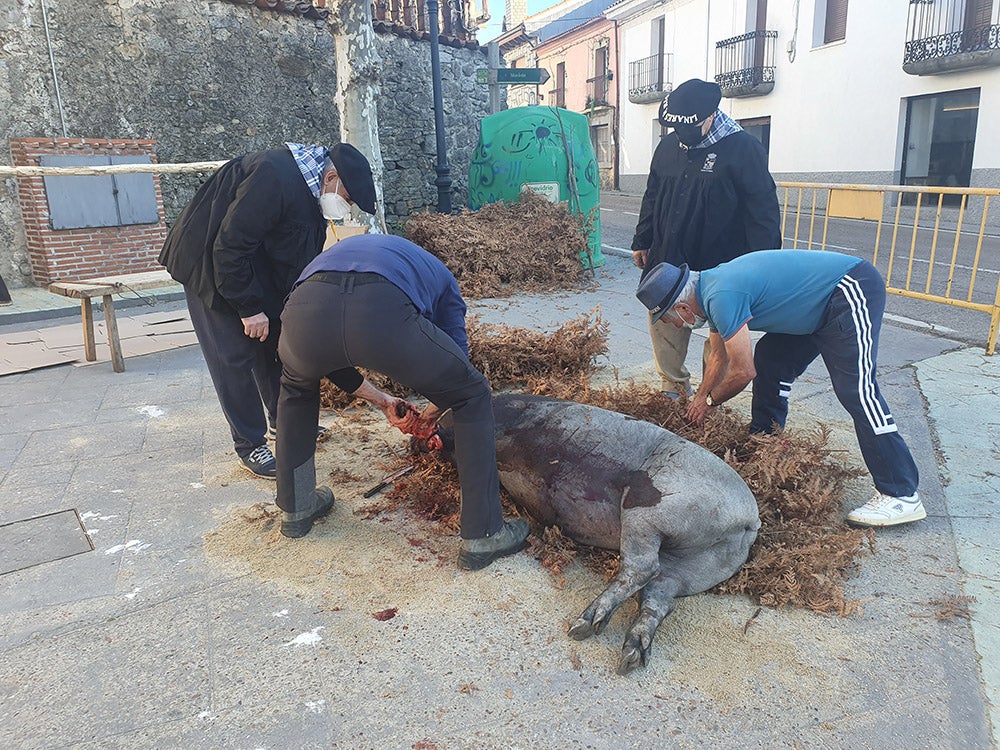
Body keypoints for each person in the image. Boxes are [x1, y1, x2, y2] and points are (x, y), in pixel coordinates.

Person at [273, 232, 531, 569]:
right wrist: (430, 415)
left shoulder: (347, 252)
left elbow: (331, 359)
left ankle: (297, 505)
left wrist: (382, 401)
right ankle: (483, 534)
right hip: (380, 309)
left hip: (304, 312)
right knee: (473, 394)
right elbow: (458, 371)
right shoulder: (441, 278)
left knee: (296, 387)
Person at [635, 250, 925, 528]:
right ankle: (765, 443)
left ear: (683, 307)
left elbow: (742, 371)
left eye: (670, 319)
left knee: (856, 390)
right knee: (771, 362)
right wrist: (699, 397)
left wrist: (709, 403)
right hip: (813, 310)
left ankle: (900, 493)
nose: (675, 325)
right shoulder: (710, 291)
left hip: (848, 289)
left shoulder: (721, 295)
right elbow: (719, 356)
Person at [159, 141, 377, 479]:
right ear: (331, 177)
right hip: (207, 262)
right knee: (232, 356)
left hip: (253, 269)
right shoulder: (273, 175)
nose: (346, 207)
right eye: (348, 199)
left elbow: (297, 261)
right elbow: (229, 246)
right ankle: (250, 444)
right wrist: (248, 308)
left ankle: (282, 422)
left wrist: (295, 312)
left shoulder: (313, 198)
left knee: (275, 345)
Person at [631, 78, 781, 396]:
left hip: (720, 259)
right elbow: (653, 193)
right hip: (669, 253)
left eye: (688, 129)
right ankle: (672, 387)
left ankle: (710, 396)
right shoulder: (669, 146)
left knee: (720, 332)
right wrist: (642, 238)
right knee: (664, 322)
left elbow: (763, 209)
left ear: (710, 116)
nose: (681, 137)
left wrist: (764, 264)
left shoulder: (742, 149)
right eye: (675, 129)